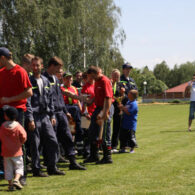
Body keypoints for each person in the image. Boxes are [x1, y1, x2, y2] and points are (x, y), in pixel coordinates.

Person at [43, 56, 86, 170]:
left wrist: (65, 111)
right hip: (51, 114)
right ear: (52, 66)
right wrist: (51, 114)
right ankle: (52, 165)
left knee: (67, 136)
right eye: (58, 68)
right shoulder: (44, 78)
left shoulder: (56, 79)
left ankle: (73, 162)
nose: (59, 72)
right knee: (52, 140)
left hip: (61, 113)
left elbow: (60, 98)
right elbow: (47, 99)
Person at [26, 56, 65, 176]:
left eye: (37, 65)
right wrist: (30, 118)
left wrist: (52, 115)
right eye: (33, 65)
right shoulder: (28, 80)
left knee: (52, 141)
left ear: (41, 66)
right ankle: (36, 169)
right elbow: (27, 101)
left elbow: (50, 100)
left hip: (46, 117)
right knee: (35, 145)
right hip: (35, 116)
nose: (35, 67)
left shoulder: (46, 80)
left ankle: (52, 167)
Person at [0, 47, 33, 185]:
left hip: (17, 111)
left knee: (19, 143)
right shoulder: (1, 73)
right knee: (3, 142)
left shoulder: (20, 72)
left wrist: (9, 99)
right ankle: (6, 173)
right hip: (2, 111)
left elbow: (29, 92)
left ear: (2, 58)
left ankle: (21, 174)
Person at [84, 66, 114, 164]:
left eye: (91, 76)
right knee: (92, 131)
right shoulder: (97, 81)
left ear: (95, 73)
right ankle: (94, 155)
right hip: (98, 108)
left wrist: (105, 113)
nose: (91, 79)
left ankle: (107, 156)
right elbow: (96, 96)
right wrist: (90, 102)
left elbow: (108, 98)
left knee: (104, 132)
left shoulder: (104, 81)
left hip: (105, 108)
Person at [0, 105, 27, 191]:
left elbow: (1, 137)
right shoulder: (18, 125)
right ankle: (16, 180)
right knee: (19, 166)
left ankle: (10, 185)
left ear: (5, 116)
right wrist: (21, 142)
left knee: (8, 169)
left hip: (6, 152)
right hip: (16, 151)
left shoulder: (2, 126)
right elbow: (24, 136)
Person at [61, 72, 84, 155]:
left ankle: (80, 149)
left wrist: (81, 110)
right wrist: (66, 112)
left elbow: (78, 100)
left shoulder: (74, 88)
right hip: (67, 108)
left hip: (76, 109)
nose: (69, 80)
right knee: (69, 130)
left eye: (70, 78)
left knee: (79, 129)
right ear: (63, 79)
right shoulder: (62, 88)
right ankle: (68, 150)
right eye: (67, 78)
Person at [110, 69, 125, 153]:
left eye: (117, 76)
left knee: (117, 127)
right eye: (114, 75)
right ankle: (103, 145)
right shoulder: (108, 83)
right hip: (108, 106)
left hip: (117, 107)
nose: (116, 77)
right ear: (111, 75)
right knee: (106, 126)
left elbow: (123, 97)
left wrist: (123, 94)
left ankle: (114, 145)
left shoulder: (121, 84)